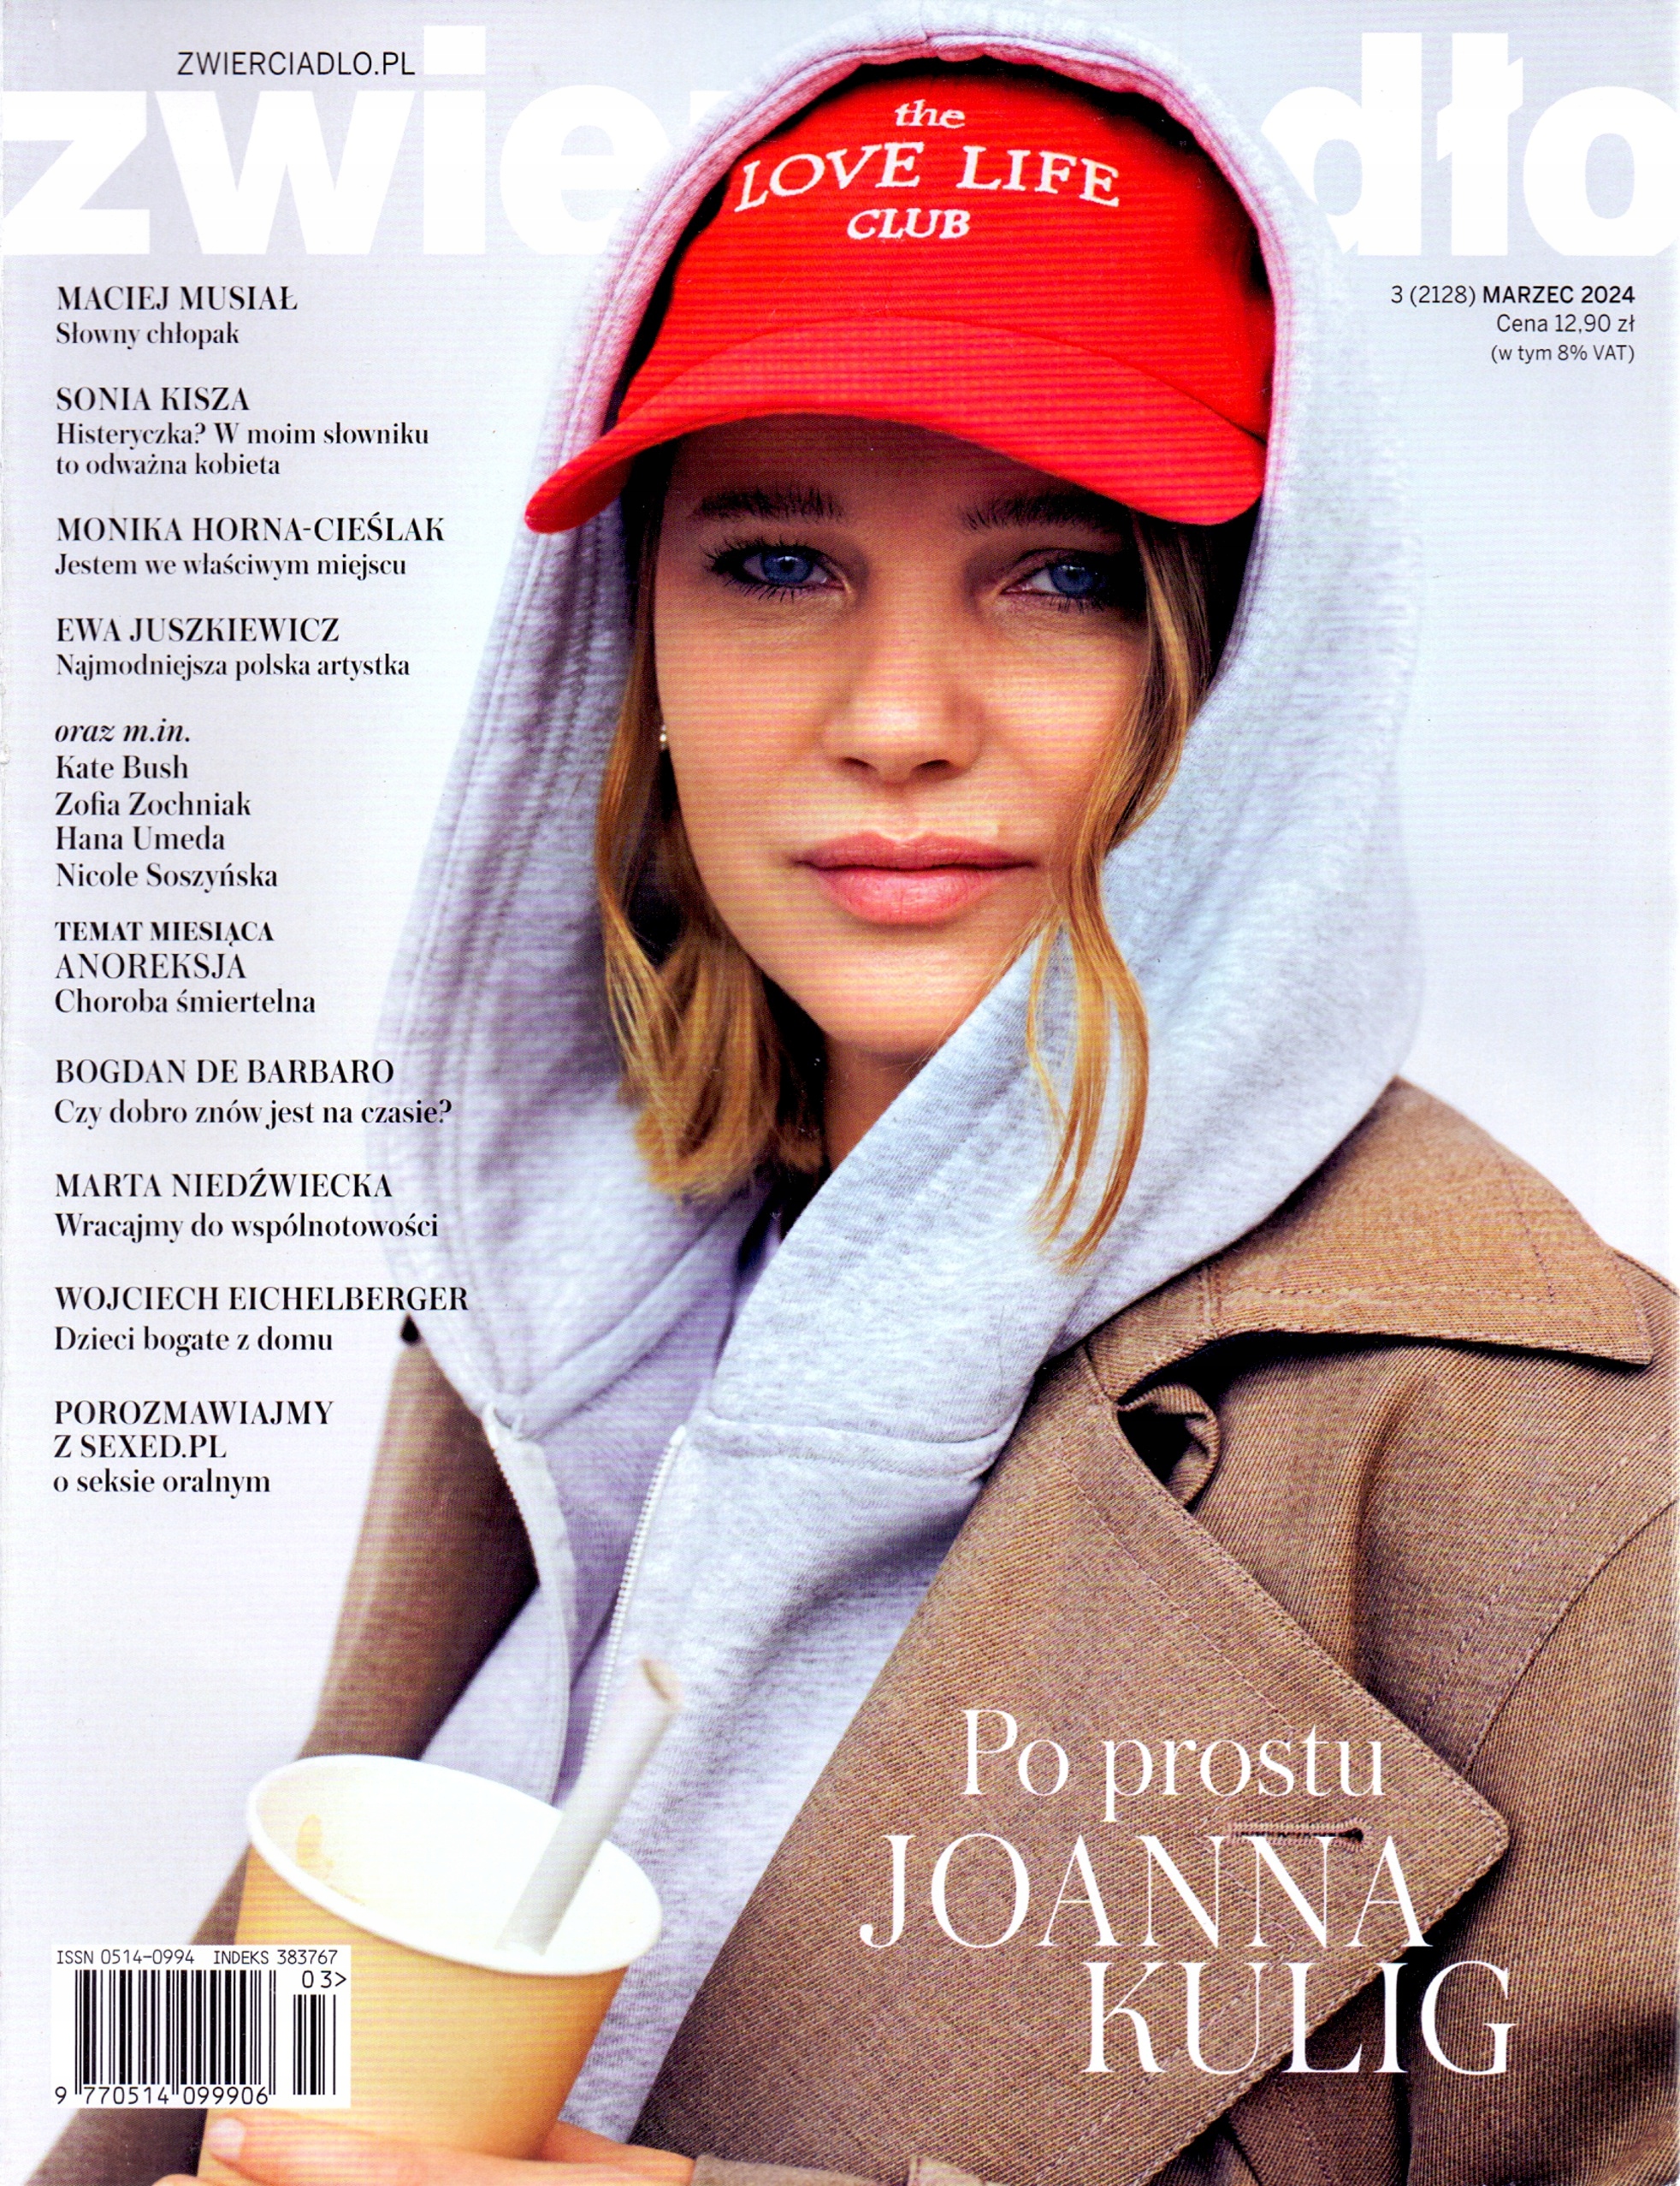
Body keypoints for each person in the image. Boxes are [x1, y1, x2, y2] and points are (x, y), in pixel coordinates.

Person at [35, 11, 1671, 2186]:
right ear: (623, 647)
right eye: (777, 561)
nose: (898, 715)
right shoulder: (545, 1303)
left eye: (1061, 573)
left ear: (1256, 658)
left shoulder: (1591, 1491)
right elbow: (254, 2015)